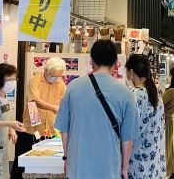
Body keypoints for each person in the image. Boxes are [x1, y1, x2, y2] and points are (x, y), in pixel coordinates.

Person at [55, 40, 138, 178]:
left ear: (91, 60)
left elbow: (65, 130)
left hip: (78, 167)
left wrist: (66, 157)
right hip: (109, 168)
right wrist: (124, 168)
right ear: (116, 62)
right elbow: (127, 138)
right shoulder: (126, 93)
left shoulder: (72, 87)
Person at [11, 57, 67, 178]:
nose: (56, 78)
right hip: (30, 130)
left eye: (59, 75)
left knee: (44, 166)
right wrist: (52, 108)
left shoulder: (61, 84)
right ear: (46, 70)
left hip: (50, 131)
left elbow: (63, 103)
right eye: (53, 75)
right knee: (21, 164)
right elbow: (33, 102)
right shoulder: (34, 81)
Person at [125, 54, 166, 178]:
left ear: (131, 72)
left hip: (137, 159)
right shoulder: (156, 95)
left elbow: (129, 130)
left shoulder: (133, 95)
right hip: (154, 156)